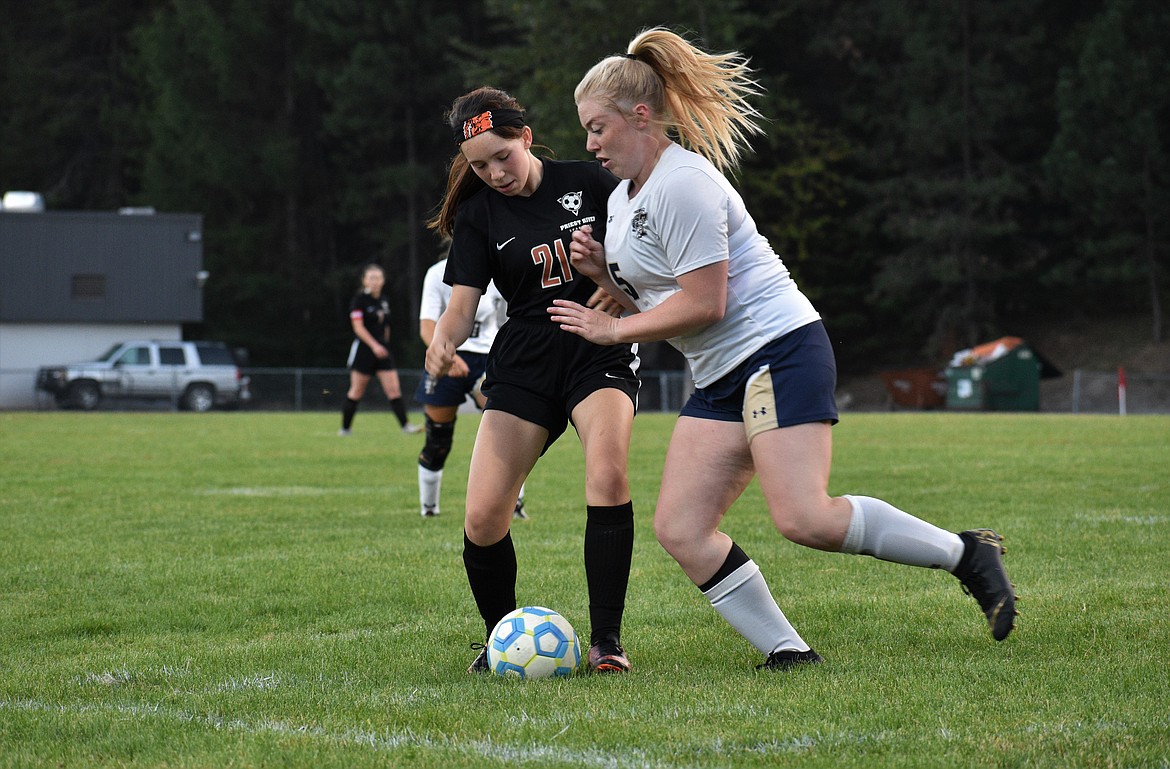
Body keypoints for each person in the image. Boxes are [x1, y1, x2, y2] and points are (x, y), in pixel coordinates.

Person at [549, 28, 1018, 670]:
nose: (590, 144)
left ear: (640, 115)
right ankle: (787, 651)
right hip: (720, 372)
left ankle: (967, 554)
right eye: (586, 130)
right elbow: (666, 304)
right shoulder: (625, 199)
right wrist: (606, 277)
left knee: (806, 519)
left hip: (777, 351)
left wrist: (610, 330)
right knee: (681, 528)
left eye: (597, 128)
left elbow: (706, 303)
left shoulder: (682, 183)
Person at [425, 86, 641, 674]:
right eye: (479, 166)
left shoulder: (591, 182)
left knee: (607, 473)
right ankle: (502, 640)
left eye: (503, 157)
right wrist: (443, 340)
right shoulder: (478, 215)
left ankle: (606, 641)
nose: (495, 174)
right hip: (524, 357)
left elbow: (651, 254)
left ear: (525, 137)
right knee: (482, 517)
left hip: (597, 348)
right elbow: (461, 307)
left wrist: (620, 291)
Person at [415, 244, 528, 520]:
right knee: (438, 439)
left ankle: (515, 505)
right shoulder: (437, 274)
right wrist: (446, 355)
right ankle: (429, 509)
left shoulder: (497, 270)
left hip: (488, 358)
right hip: (448, 355)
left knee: (505, 433)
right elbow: (427, 325)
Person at [339, 263, 422, 436]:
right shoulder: (359, 300)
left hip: (382, 351)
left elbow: (386, 327)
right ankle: (345, 429)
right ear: (364, 280)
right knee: (356, 391)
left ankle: (406, 426)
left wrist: (383, 344)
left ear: (383, 280)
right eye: (371, 278)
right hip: (364, 350)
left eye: (378, 278)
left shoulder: (384, 301)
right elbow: (358, 327)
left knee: (394, 390)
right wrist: (374, 346)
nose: (375, 281)